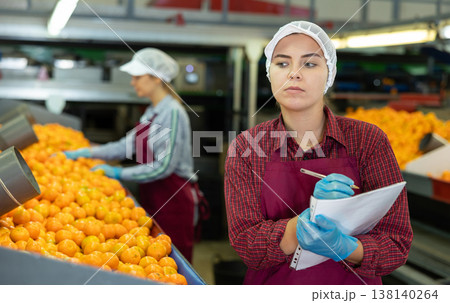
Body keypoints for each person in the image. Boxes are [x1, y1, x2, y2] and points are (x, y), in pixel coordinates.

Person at [224, 21, 412, 284]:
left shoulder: (368, 141)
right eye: (282, 63)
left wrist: (345, 247)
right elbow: (245, 243)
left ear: (329, 74)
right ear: (269, 73)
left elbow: (396, 242)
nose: (294, 73)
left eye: (309, 64)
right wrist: (296, 229)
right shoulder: (246, 147)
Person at [64, 48, 208, 262]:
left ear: (156, 79)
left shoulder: (173, 113)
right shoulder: (152, 111)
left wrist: (117, 172)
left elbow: (164, 166)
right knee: (149, 257)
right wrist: (88, 152)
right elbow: (126, 146)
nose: (133, 82)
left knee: (171, 264)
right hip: (152, 194)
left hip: (174, 200)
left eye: (137, 77)